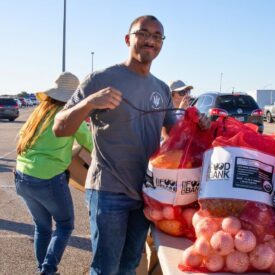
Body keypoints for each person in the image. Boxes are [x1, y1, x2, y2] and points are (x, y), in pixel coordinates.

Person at [53, 15, 209, 274]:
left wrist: (199, 123)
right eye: (143, 33)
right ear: (128, 39)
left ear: (162, 44)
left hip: (147, 194)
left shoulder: (160, 87)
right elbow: (60, 127)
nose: (150, 40)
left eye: (157, 36)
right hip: (108, 191)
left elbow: (176, 135)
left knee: (129, 266)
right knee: (106, 268)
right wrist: (90, 102)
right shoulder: (100, 79)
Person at [15, 72, 93, 275]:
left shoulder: (39, 111)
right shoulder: (69, 115)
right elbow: (89, 142)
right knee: (65, 225)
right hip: (48, 178)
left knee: (42, 226)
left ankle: (42, 268)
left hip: (22, 174)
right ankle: (48, 271)